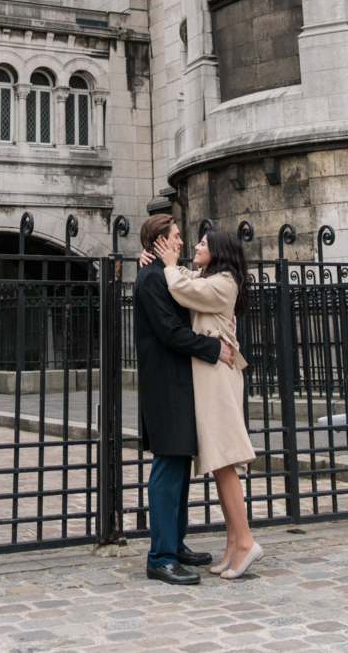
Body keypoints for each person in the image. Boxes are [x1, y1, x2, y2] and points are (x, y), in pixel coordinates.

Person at [145, 227, 263, 580]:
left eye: (202, 243)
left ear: (219, 252)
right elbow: (184, 277)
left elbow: (182, 287)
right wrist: (152, 262)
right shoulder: (211, 275)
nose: (193, 246)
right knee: (219, 461)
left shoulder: (225, 282)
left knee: (224, 459)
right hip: (208, 376)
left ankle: (245, 542)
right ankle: (232, 545)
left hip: (218, 377)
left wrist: (166, 263)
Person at [133, 213, 236, 585]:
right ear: (159, 242)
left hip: (179, 382)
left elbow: (192, 289)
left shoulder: (161, 273)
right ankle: (159, 557)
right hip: (165, 384)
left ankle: (174, 544)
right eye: (175, 237)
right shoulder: (151, 278)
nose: (181, 242)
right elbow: (170, 332)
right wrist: (213, 348)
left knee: (178, 471)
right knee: (167, 468)